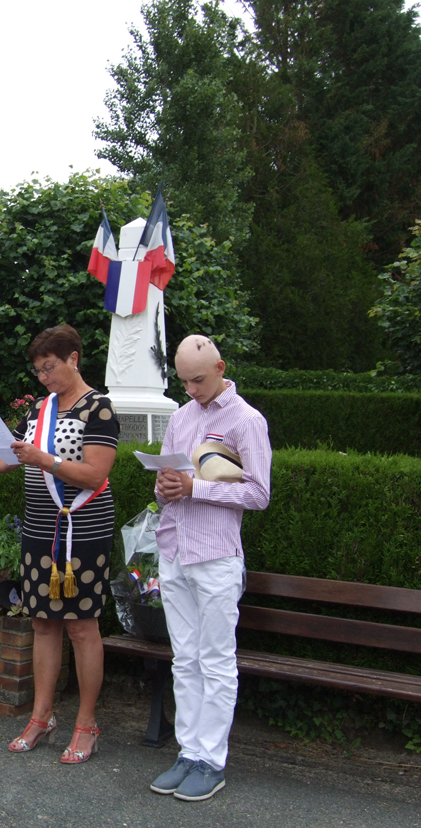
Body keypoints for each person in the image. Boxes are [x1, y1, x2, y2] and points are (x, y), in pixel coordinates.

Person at [0, 324, 118, 763]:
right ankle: (40, 717)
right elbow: (0, 460)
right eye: (37, 371)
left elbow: (94, 474)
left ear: (73, 358)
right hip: (39, 528)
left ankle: (87, 724)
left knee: (81, 626)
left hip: (84, 528)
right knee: (42, 622)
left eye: (49, 367)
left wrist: (45, 460)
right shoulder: (40, 408)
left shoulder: (99, 408)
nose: (44, 377)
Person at [148, 335, 272, 802]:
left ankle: (211, 760)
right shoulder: (181, 416)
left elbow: (259, 493)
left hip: (218, 556)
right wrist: (166, 485)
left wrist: (195, 487)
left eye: (198, 380)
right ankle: (188, 751)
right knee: (185, 658)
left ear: (220, 367)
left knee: (216, 660)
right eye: (183, 381)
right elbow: (167, 486)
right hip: (176, 549)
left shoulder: (246, 420)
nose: (192, 389)